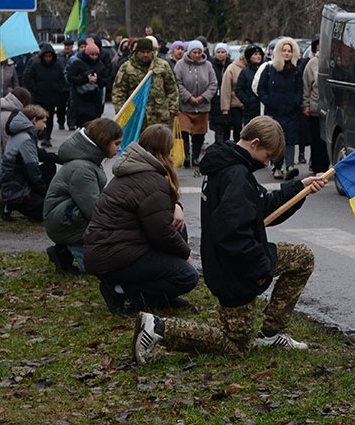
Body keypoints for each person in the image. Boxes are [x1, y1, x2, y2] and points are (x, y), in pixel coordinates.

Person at [131, 116, 326, 364]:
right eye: (268, 156)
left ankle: (271, 332)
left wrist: (299, 188)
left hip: (236, 258)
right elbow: (232, 234)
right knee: (235, 346)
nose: (267, 163)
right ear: (255, 143)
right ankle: (157, 328)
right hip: (234, 268)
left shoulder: (231, 164)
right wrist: (259, 270)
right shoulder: (235, 174)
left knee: (301, 257)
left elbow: (261, 205)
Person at [84, 124, 200, 314]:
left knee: (179, 227)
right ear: (166, 151)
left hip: (110, 249)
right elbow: (161, 233)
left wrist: (177, 206)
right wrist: (185, 254)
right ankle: (121, 290)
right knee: (187, 276)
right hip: (113, 255)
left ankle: (161, 296)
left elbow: (159, 215)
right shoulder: (153, 180)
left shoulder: (136, 169)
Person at [43, 117, 124, 275]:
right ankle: (66, 248)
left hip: (68, 218)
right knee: (103, 269)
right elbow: (94, 210)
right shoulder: (83, 169)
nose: (119, 148)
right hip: (65, 223)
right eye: (116, 143)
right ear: (103, 141)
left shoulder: (88, 161)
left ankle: (64, 251)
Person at [258, 37, 304, 180]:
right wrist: (269, 101)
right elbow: (261, 88)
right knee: (276, 139)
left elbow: (300, 89)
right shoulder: (270, 69)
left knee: (290, 140)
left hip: (291, 112)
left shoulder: (296, 71)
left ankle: (289, 165)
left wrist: (297, 102)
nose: (286, 53)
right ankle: (277, 167)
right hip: (274, 111)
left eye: (289, 51)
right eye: (284, 51)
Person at [0, 104, 56, 221]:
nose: (45, 126)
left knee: (50, 167)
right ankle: (13, 203)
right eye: (44, 122)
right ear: (34, 120)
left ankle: (12, 203)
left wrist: (61, 157)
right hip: (17, 188)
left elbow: (40, 154)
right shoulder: (26, 139)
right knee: (46, 213)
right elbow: (33, 173)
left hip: (14, 182)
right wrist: (45, 195)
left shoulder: (22, 133)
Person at [111, 37, 180, 130]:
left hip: (159, 117)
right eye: (142, 52)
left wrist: (173, 108)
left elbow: (172, 88)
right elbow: (118, 92)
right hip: (135, 117)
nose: (145, 55)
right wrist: (122, 112)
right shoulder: (126, 68)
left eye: (148, 52)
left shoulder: (162, 65)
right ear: (136, 52)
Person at [174, 39, 217, 167]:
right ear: (189, 52)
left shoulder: (208, 65)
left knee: (199, 133)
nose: (197, 55)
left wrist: (203, 97)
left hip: (202, 106)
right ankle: (186, 156)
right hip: (185, 107)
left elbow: (213, 83)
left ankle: (195, 156)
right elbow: (178, 83)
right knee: (184, 132)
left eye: (199, 52)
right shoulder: (180, 65)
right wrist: (189, 97)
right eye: (194, 52)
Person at [23, 43, 67, 147]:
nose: (48, 59)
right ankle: (38, 134)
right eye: (46, 56)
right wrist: (35, 89)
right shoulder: (35, 64)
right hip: (38, 97)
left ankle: (47, 137)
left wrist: (58, 89)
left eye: (50, 56)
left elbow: (62, 79)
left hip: (51, 97)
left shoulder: (57, 65)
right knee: (37, 117)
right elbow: (29, 77)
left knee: (49, 117)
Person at [302, 36, 330, 174]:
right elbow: (306, 86)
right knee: (317, 139)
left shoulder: (334, 61)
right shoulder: (312, 63)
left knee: (329, 139)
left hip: (331, 107)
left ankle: (328, 166)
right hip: (315, 108)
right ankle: (318, 166)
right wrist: (306, 105)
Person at [66, 38, 106, 128]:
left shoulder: (100, 65)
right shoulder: (77, 63)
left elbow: (105, 80)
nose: (94, 57)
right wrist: (85, 79)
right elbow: (70, 78)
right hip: (80, 98)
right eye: (92, 54)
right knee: (83, 124)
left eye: (96, 55)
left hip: (95, 99)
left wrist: (97, 79)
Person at [220, 46, 247, 142]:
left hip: (249, 105)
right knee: (237, 129)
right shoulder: (231, 69)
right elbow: (225, 89)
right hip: (235, 105)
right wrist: (225, 110)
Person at [235, 44, 265, 128]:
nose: (258, 56)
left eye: (260, 54)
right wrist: (248, 101)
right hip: (250, 110)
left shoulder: (265, 69)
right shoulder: (245, 72)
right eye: (255, 54)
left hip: (264, 108)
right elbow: (238, 89)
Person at [209, 43, 233, 144]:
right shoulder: (211, 66)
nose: (220, 54)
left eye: (223, 52)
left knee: (227, 126)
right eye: (218, 52)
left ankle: (225, 145)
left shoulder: (231, 66)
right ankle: (219, 145)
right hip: (215, 99)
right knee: (218, 127)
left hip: (228, 99)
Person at [58, 39, 75, 130]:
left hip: (71, 85)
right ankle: (61, 122)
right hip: (61, 86)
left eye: (69, 46)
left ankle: (71, 123)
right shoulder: (59, 56)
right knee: (61, 106)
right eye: (65, 46)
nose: (67, 47)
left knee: (71, 106)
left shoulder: (75, 57)